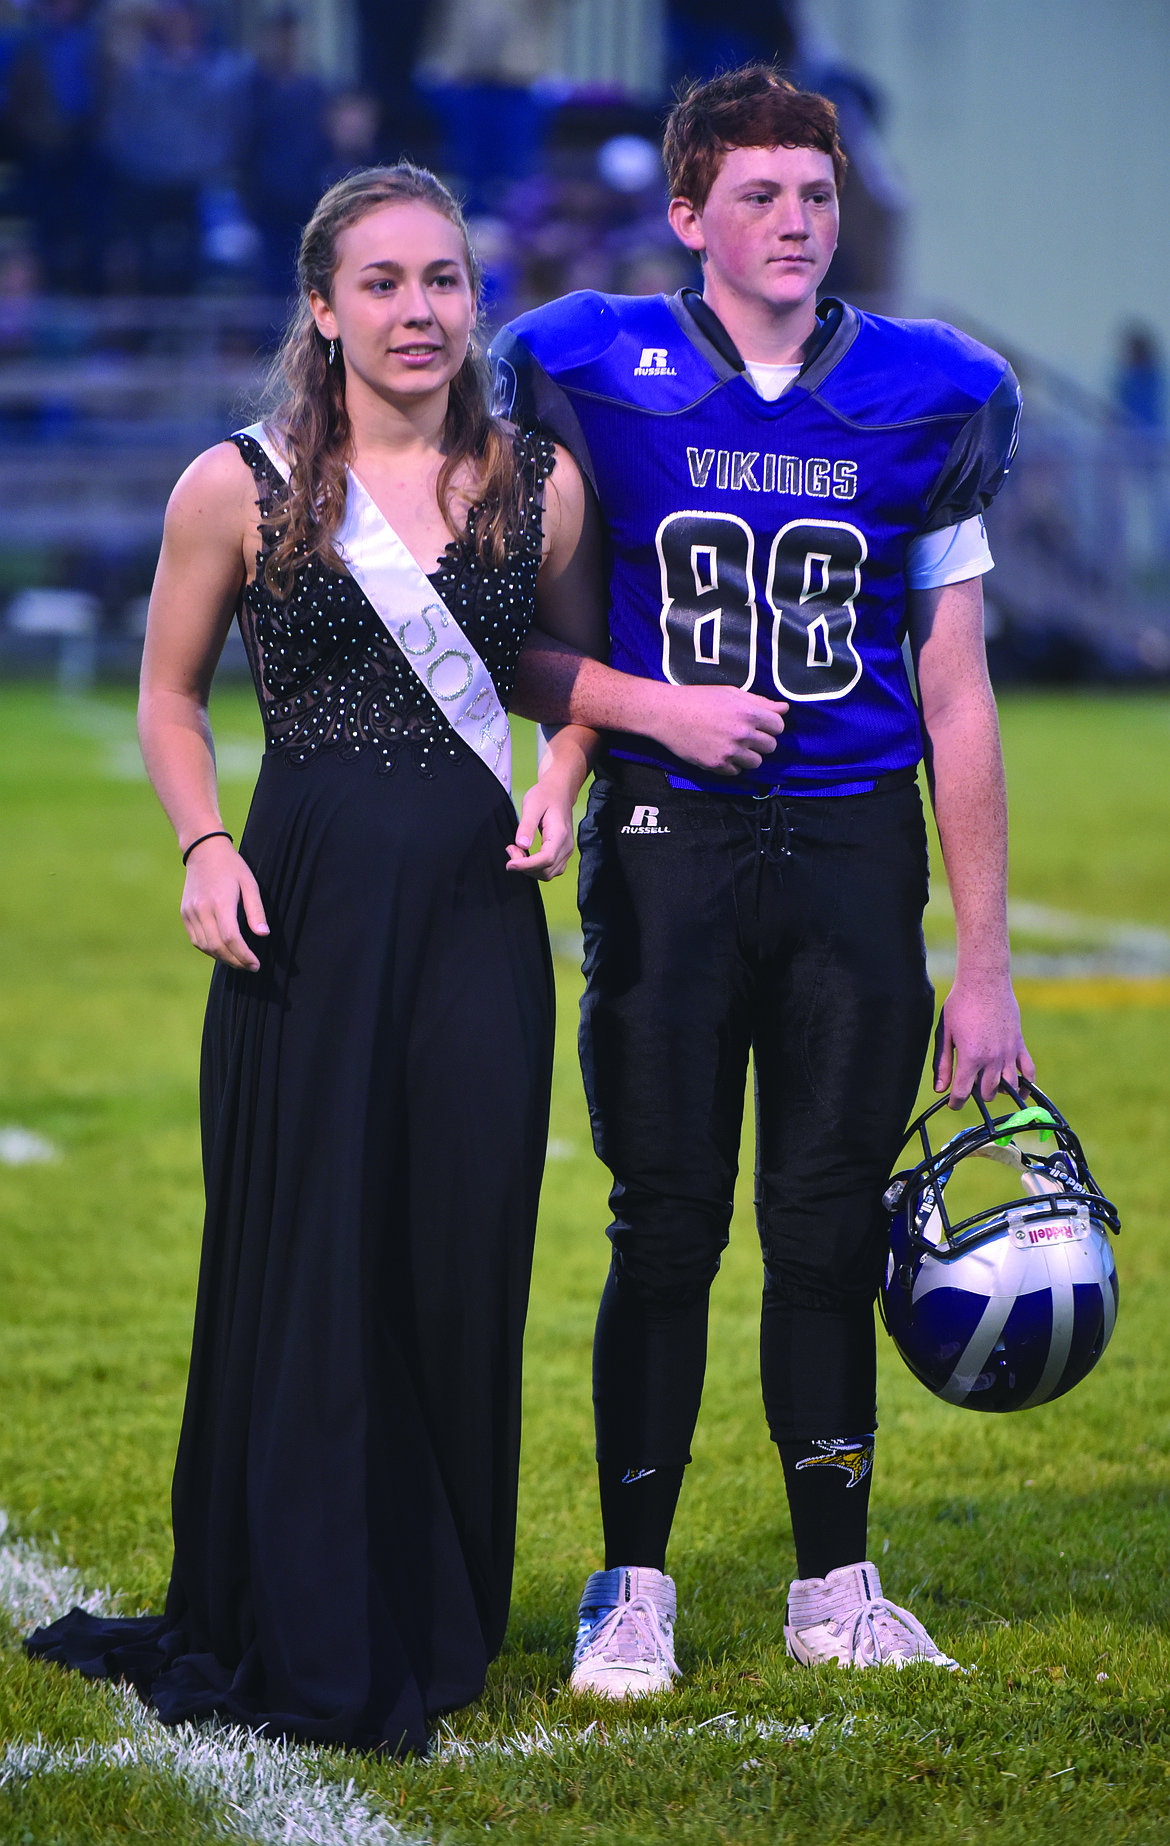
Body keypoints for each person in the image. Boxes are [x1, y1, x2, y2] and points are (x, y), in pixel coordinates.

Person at [25, 163, 598, 1755]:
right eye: (383, 283)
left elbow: (570, 681)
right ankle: (308, 1601)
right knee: (313, 1259)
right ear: (322, 305)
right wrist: (204, 845)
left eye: (443, 281)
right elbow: (166, 696)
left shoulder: (535, 482)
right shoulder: (241, 482)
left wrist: (558, 781)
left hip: (483, 923)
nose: (417, 312)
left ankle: (433, 1605)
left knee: (456, 1256)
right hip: (305, 913)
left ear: (472, 298)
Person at [493, 63, 1034, 1693]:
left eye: (815, 193)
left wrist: (988, 961)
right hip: (669, 853)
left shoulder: (933, 391)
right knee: (662, 1227)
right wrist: (618, 726)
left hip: (855, 859)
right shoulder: (589, 366)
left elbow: (956, 692)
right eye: (759, 196)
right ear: (687, 214)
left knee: (819, 1237)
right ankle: (633, 1585)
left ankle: (833, 1585)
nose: (796, 223)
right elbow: (531, 637)